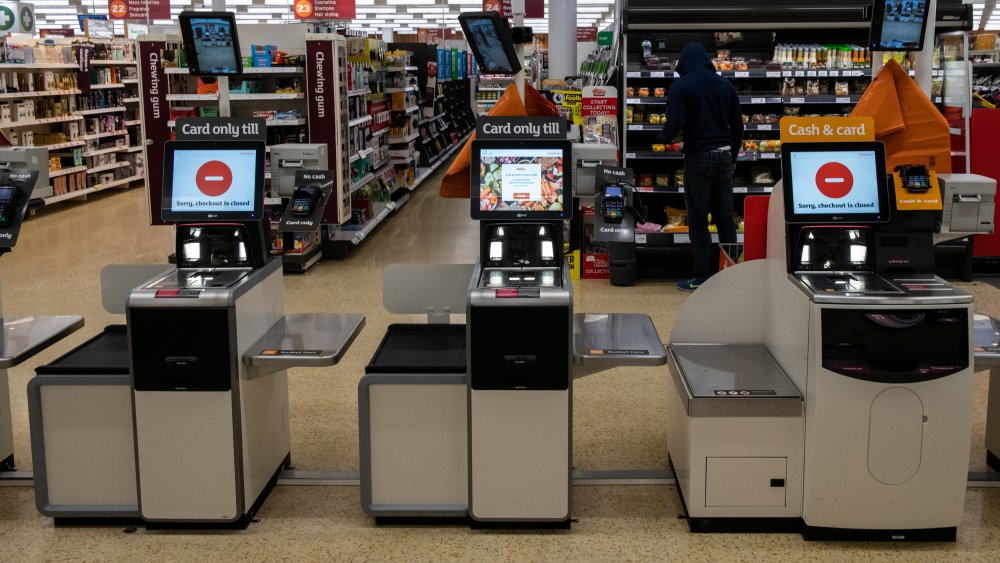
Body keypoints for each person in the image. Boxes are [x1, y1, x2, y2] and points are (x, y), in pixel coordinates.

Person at [659, 42, 743, 291]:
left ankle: (701, 277)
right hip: (724, 155)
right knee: (725, 218)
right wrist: (734, 156)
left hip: (699, 157)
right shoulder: (724, 85)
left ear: (683, 63)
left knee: (698, 220)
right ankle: (731, 274)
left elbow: (674, 123)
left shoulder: (681, 86)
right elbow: (737, 126)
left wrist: (663, 138)